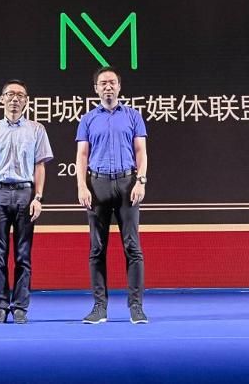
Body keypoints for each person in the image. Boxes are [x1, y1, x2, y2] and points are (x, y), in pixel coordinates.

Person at [0, 79, 53, 324]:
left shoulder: (36, 129)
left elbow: (40, 165)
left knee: (23, 255)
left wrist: (38, 197)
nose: (15, 99)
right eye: (10, 94)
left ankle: (20, 307)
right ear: (2, 99)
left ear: (26, 101)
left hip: (25, 193)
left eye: (20, 95)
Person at [76, 66, 149, 324]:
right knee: (97, 249)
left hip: (128, 184)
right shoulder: (87, 119)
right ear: (96, 88)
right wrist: (82, 186)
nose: (108, 86)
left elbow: (140, 151)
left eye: (112, 82)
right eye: (103, 83)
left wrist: (140, 181)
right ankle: (99, 307)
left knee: (132, 247)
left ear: (119, 86)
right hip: (98, 185)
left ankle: (136, 307)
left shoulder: (133, 116)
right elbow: (82, 155)